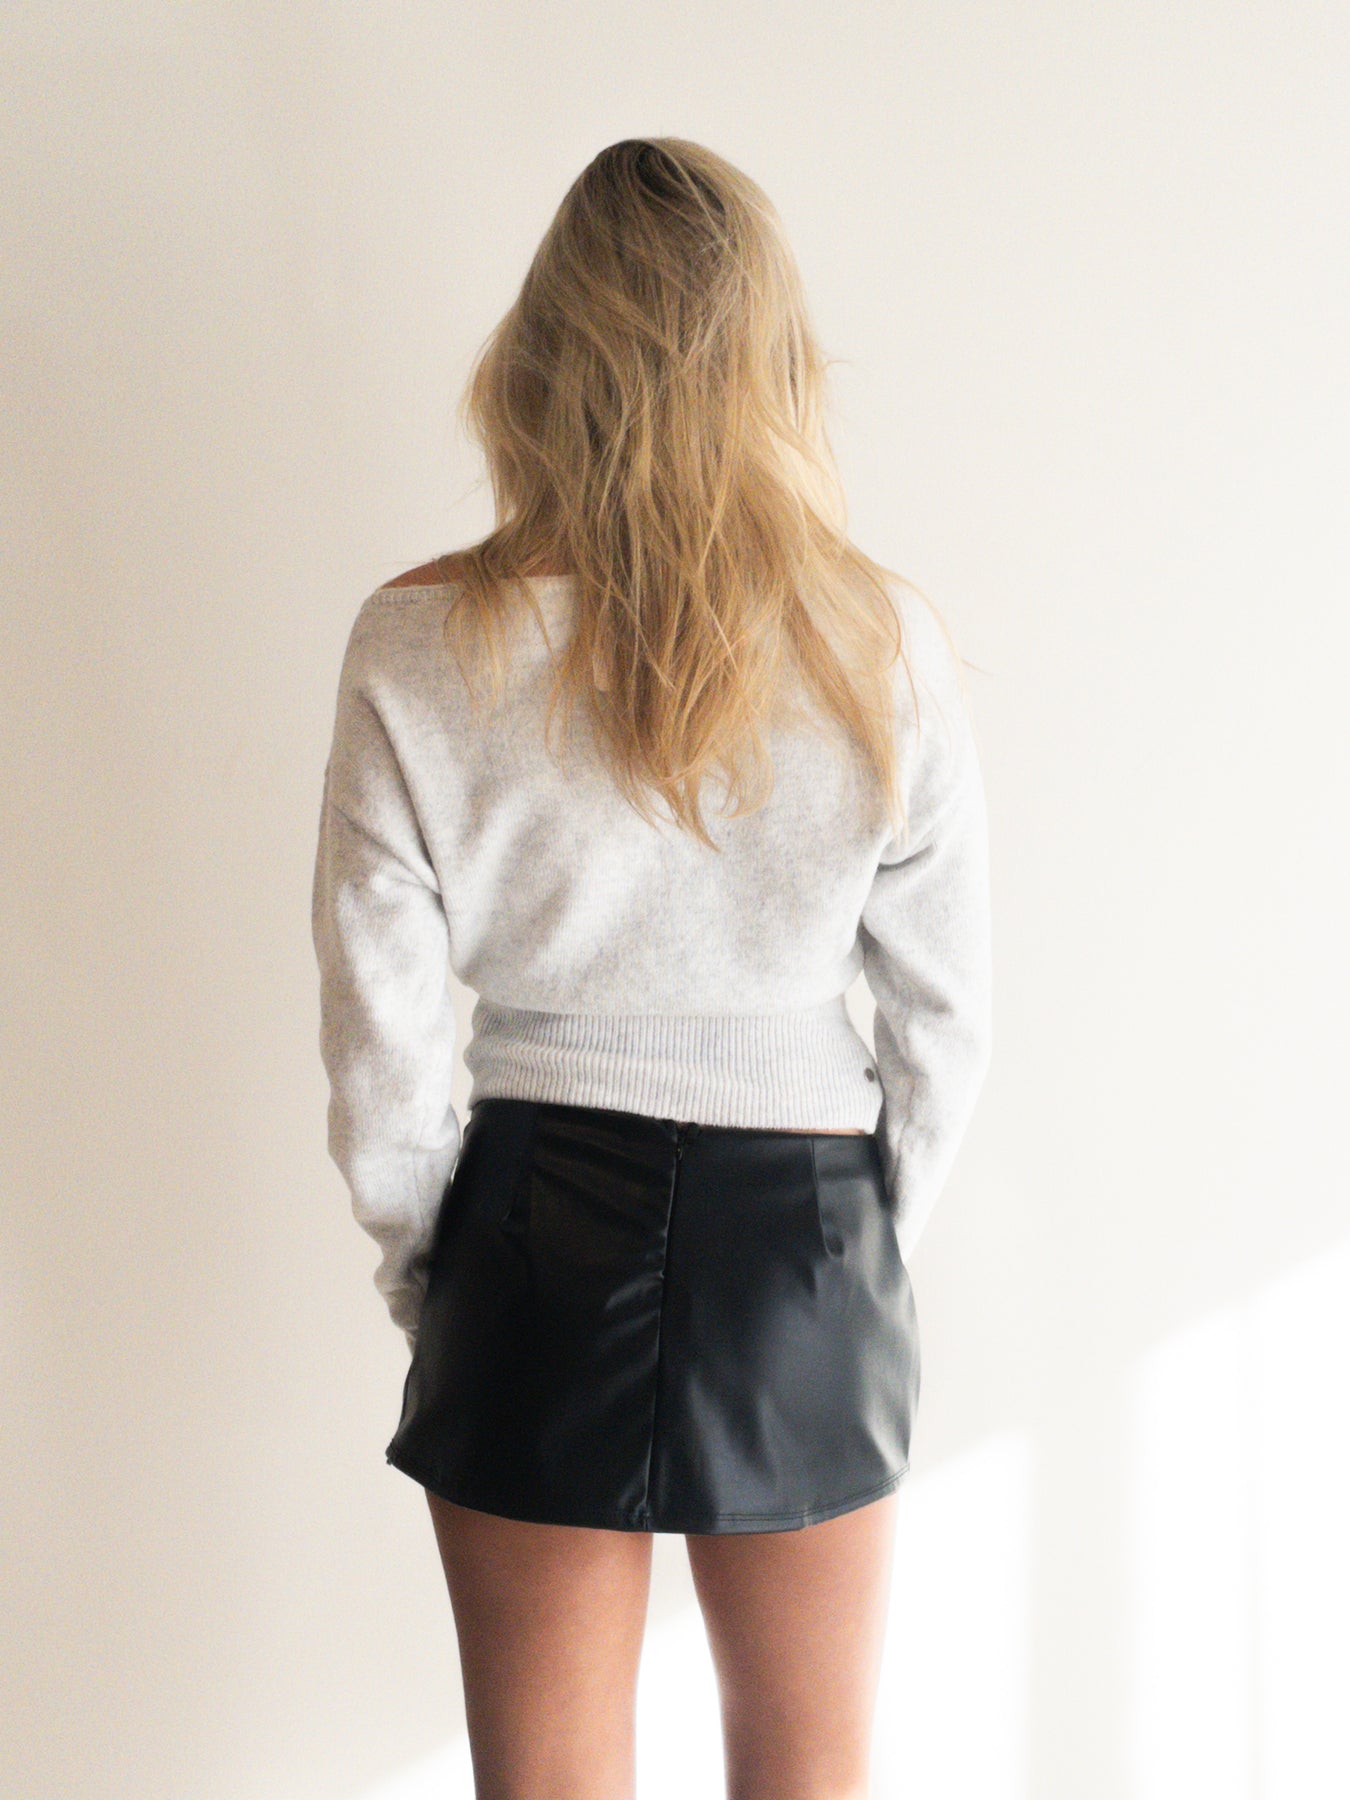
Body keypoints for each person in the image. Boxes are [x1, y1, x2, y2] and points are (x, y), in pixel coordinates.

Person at [311, 137, 992, 1800]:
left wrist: (435, 1272)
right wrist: (859, 1241)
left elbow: (380, 1034)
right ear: (773, 362)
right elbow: (942, 1019)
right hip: (803, 1230)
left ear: (538, 356)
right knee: (807, 1779)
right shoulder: (875, 638)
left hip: (527, 1227)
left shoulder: (416, 638)